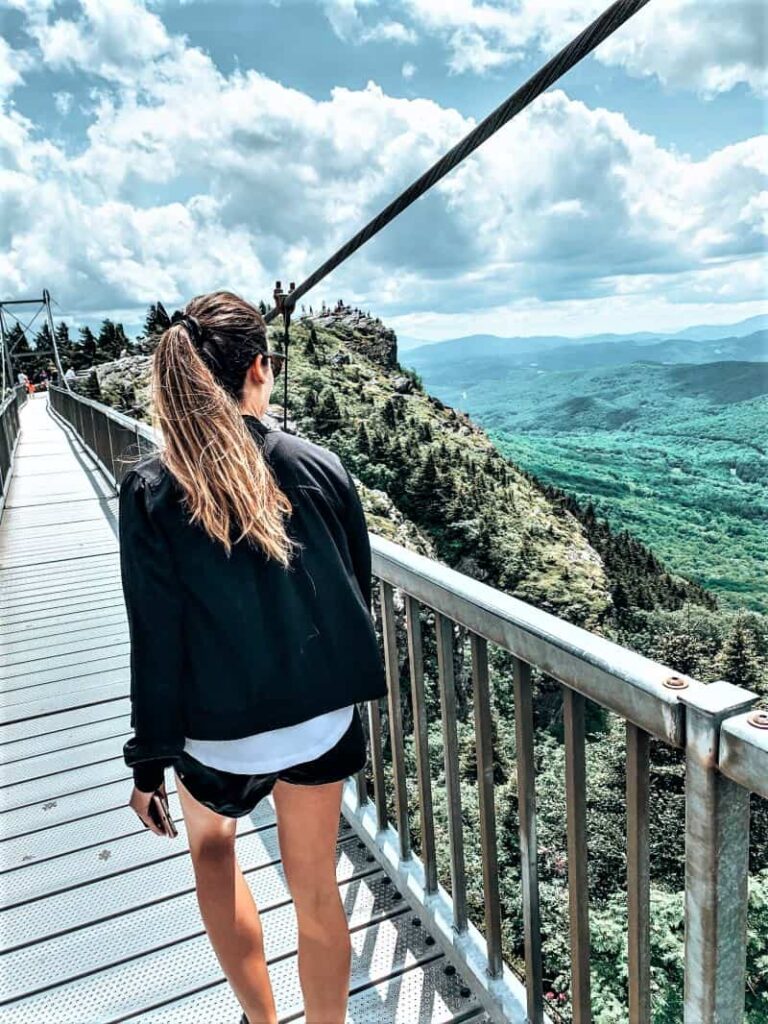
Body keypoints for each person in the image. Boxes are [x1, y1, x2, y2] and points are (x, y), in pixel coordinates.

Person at [118, 290, 388, 1024]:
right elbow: (352, 590)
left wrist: (149, 763)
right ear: (260, 370)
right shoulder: (319, 465)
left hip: (218, 733)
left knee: (212, 851)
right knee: (316, 889)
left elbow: (155, 636)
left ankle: (262, 1021)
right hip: (320, 723)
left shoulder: (150, 488)